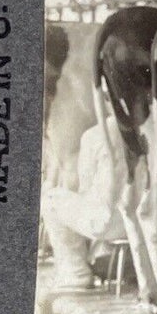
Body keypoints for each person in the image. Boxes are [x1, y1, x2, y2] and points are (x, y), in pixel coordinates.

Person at [41, 121, 126, 289]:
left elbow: (85, 189)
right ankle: (124, 266)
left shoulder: (94, 134)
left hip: (111, 222)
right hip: (147, 224)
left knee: (50, 200)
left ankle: (76, 273)